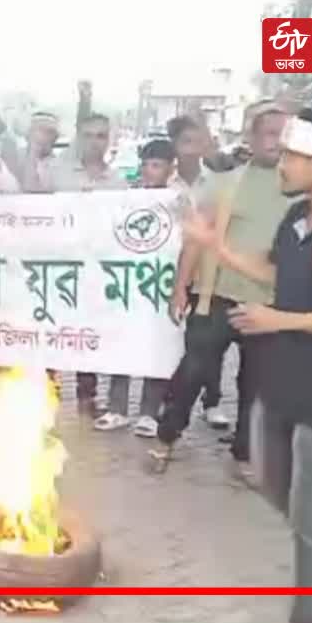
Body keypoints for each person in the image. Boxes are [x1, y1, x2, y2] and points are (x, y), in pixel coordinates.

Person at [184, 107, 312, 623]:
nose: (282, 163)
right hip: (283, 377)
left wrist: (278, 320)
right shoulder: (295, 218)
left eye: (292, 154)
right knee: (270, 481)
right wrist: (214, 247)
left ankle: (308, 614)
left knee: (308, 517)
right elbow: (273, 272)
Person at [150, 101, 292, 479]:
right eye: (269, 133)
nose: (276, 142)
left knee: (257, 383)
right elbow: (196, 240)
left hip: (270, 304)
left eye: (284, 134)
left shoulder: (298, 186)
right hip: (216, 295)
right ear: (251, 137)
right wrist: (181, 288)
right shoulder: (226, 183)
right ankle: (165, 438)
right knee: (193, 371)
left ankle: (244, 454)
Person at [43, 114, 132, 425]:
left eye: (101, 136)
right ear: (79, 138)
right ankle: (46, 395)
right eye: (89, 135)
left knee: (88, 334)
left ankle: (87, 397)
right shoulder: (57, 175)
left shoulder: (119, 182)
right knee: (54, 331)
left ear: (108, 140)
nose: (95, 142)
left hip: (96, 271)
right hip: (58, 268)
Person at [110, 138, 177, 438]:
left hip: (161, 287)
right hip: (129, 285)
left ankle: (149, 412)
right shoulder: (128, 199)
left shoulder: (178, 200)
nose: (149, 171)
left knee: (156, 348)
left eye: (156, 165)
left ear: (169, 168)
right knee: (121, 345)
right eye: (146, 165)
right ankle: (117, 409)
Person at [167, 115, 231, 429]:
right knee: (183, 341)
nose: (193, 150)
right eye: (186, 142)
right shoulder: (161, 186)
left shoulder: (223, 183)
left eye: (199, 141)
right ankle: (170, 404)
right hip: (170, 269)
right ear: (174, 146)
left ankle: (213, 401)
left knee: (209, 342)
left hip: (209, 274)